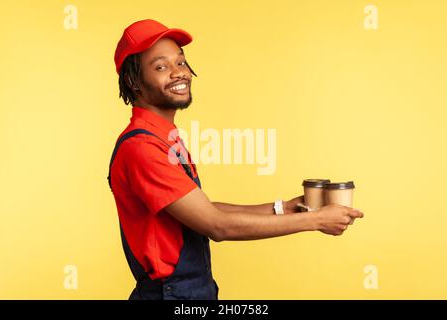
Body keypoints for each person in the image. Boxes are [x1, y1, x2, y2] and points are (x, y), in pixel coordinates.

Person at [108, 19, 364, 300]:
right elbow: (216, 225)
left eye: (180, 62)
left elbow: (203, 210)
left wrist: (283, 208)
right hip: (171, 295)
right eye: (161, 66)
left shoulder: (162, 136)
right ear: (133, 81)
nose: (178, 73)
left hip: (190, 291)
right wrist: (316, 221)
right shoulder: (142, 147)